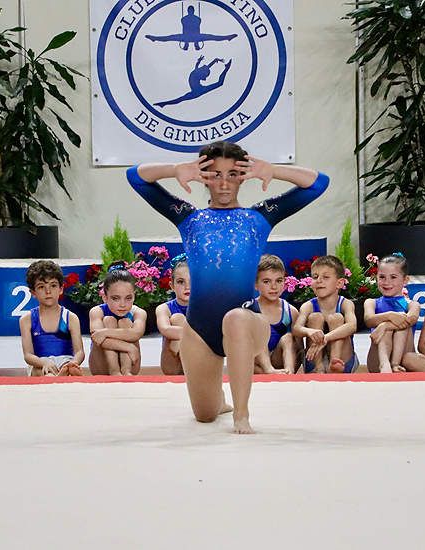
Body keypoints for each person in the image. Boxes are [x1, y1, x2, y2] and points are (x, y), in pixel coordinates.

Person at [128, 140, 328, 433]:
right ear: (202, 176)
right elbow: (135, 177)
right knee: (205, 415)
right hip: (199, 329)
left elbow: (318, 183)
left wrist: (273, 170)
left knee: (234, 318)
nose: (223, 183)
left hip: (246, 323)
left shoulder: (259, 217)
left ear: (243, 177)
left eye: (232, 174)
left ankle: (241, 414)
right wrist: (175, 169)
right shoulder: (189, 217)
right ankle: (220, 402)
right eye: (214, 174)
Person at [293, 255, 359, 374]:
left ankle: (335, 363)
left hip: (343, 360)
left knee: (336, 318)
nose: (319, 280)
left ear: (339, 283)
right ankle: (318, 367)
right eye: (315, 276)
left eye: (326, 277)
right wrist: (309, 331)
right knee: (315, 317)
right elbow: (296, 328)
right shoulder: (308, 306)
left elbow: (352, 326)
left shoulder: (346, 304)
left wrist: (326, 338)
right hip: (313, 358)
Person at [363, 252, 425, 373]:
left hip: (405, 359)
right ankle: (385, 364)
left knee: (401, 324)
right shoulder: (371, 302)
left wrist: (385, 325)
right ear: (375, 277)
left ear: (405, 280)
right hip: (376, 361)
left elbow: (410, 320)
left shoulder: (412, 304)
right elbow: (368, 320)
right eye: (382, 277)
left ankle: (395, 364)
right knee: (391, 324)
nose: (387, 282)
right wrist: (389, 316)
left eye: (393, 277)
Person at [18, 260, 84, 377]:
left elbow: (79, 352)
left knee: (73, 371)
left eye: (53, 286)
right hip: (40, 364)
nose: (48, 291)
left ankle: (64, 374)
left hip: (66, 361)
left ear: (61, 289)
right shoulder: (27, 319)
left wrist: (74, 363)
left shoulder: (71, 318)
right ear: (33, 292)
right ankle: (58, 377)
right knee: (48, 375)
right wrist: (44, 362)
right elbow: (28, 355)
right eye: (41, 287)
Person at [89, 262, 148, 376]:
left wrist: (106, 332)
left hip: (132, 365)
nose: (122, 304)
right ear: (105, 297)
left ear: (134, 296)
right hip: (101, 367)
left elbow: (136, 334)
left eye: (128, 298)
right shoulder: (96, 311)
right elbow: (97, 338)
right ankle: (114, 370)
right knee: (108, 320)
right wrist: (128, 347)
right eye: (116, 298)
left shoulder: (139, 312)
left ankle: (126, 371)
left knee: (125, 322)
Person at [251, 254, 300, 374]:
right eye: (267, 281)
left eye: (278, 281)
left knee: (288, 338)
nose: (274, 287)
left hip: (279, 363)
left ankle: (289, 372)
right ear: (256, 284)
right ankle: (268, 370)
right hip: (255, 364)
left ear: (284, 282)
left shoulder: (291, 311)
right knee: (259, 332)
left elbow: (298, 348)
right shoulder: (250, 309)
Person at [155, 254, 191, 375]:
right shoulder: (164, 309)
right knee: (177, 318)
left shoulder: (205, 306)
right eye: (181, 282)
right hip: (172, 364)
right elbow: (165, 329)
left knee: (179, 319)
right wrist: (190, 335)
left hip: (197, 363)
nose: (187, 287)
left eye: (193, 281)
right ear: (172, 286)